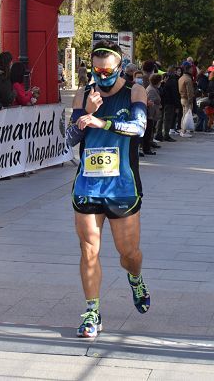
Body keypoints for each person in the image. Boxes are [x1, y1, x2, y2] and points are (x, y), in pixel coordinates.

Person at [66, 40, 150, 339]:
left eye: (107, 71)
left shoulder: (134, 92)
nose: (101, 77)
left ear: (120, 68)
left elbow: (139, 127)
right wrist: (85, 113)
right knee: (89, 250)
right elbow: (70, 139)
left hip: (123, 186)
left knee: (128, 253)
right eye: (96, 71)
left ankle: (136, 277)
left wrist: (102, 122)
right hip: (88, 184)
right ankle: (92, 312)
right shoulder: (84, 94)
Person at [143, 74, 163, 156]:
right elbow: (150, 103)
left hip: (152, 114)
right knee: (148, 133)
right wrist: (151, 115)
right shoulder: (151, 90)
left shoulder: (153, 89)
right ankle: (146, 148)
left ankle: (148, 147)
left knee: (150, 132)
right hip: (150, 114)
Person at [159, 68, 179, 142]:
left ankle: (159, 134)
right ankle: (166, 135)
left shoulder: (165, 80)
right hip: (170, 102)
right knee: (167, 119)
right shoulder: (173, 81)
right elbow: (175, 94)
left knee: (161, 119)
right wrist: (177, 105)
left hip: (164, 102)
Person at [178, 64, 195, 138]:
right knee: (186, 115)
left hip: (182, 98)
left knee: (184, 114)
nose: (192, 70)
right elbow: (189, 91)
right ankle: (183, 131)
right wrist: (191, 100)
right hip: (187, 99)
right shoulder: (188, 79)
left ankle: (183, 130)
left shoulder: (181, 78)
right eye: (191, 69)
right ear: (188, 69)